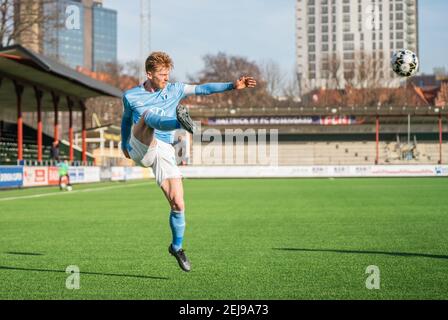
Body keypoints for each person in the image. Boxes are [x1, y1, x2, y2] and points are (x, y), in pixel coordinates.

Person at [120, 51, 256, 272]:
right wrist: (123, 143)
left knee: (178, 203)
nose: (166, 78)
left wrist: (233, 85)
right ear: (149, 74)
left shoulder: (174, 89)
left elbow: (203, 88)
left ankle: (177, 247)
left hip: (164, 150)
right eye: (162, 74)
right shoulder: (131, 96)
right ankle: (179, 122)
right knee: (147, 117)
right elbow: (126, 120)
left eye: (168, 74)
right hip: (141, 144)